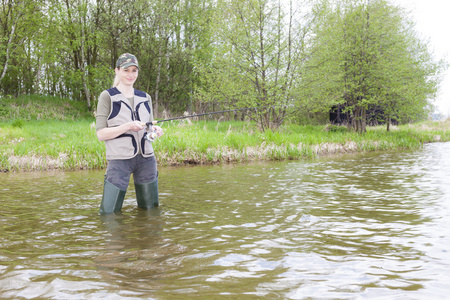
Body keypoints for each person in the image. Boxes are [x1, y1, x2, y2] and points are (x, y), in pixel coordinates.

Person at [95, 53, 163, 215]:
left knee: (151, 213)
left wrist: (155, 130)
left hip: (146, 160)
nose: (131, 74)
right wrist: (127, 126)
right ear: (117, 71)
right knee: (108, 214)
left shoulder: (145, 97)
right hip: (119, 161)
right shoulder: (107, 97)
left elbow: (148, 127)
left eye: (134, 70)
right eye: (126, 70)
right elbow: (101, 134)